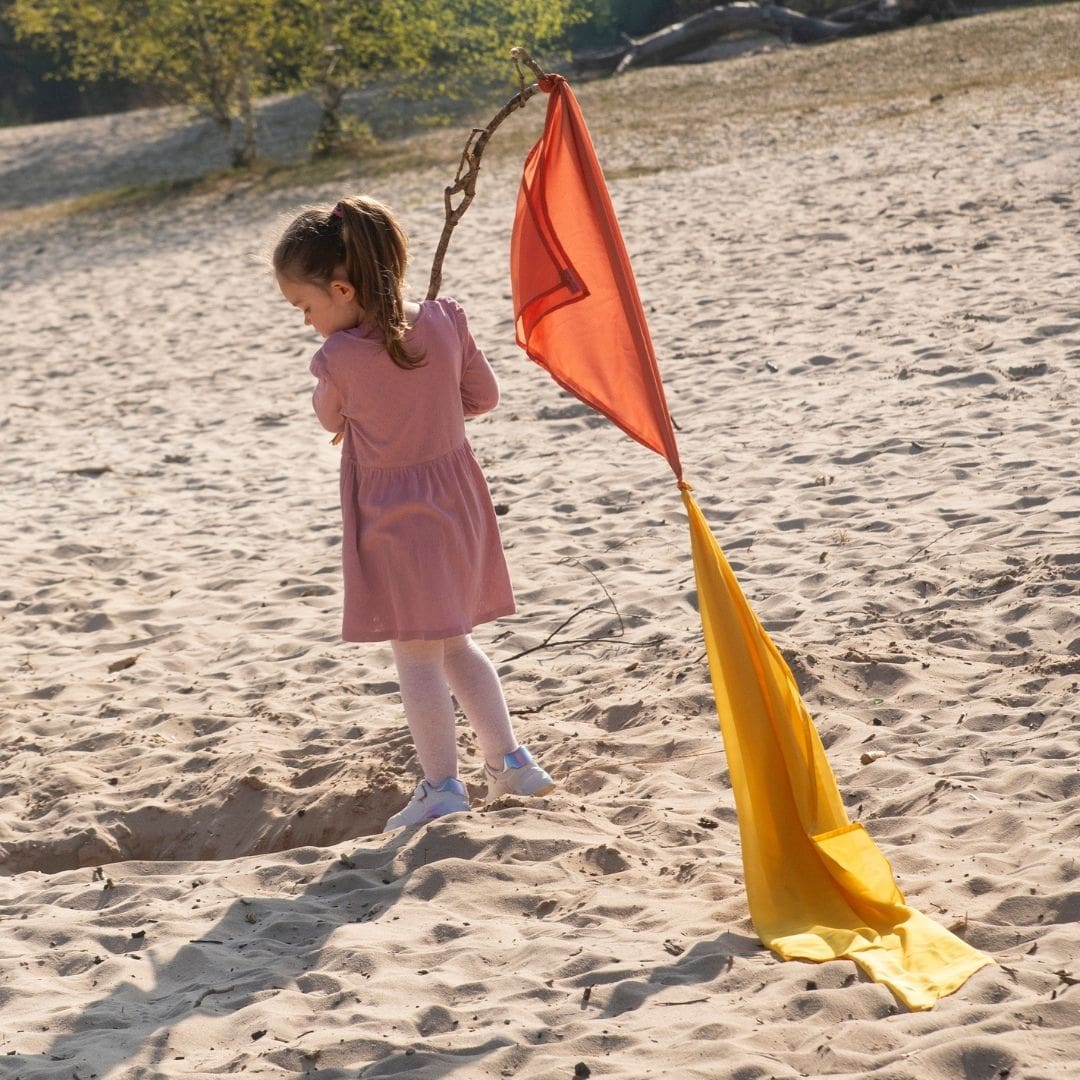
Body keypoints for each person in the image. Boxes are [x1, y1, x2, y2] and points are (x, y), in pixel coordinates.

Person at [273, 195, 554, 831]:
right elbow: (482, 395)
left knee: (415, 655)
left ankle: (442, 786)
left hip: (396, 519)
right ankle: (509, 761)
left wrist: (354, 396)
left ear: (342, 288)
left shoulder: (338, 358)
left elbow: (328, 419)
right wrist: (430, 409)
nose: (308, 321)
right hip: (459, 503)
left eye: (307, 307)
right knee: (454, 641)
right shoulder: (445, 320)